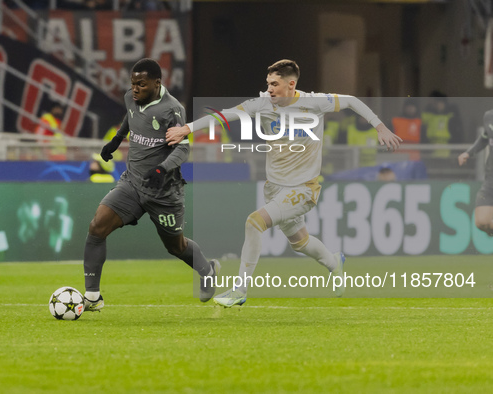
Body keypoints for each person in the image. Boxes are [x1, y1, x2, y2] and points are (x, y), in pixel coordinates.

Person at [167, 59, 402, 307]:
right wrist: (187, 129)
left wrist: (380, 126)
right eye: (267, 83)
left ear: (291, 84)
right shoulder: (262, 104)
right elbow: (225, 116)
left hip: (303, 189)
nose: (269, 88)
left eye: (274, 84)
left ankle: (239, 289)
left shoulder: (314, 103)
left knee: (254, 222)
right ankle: (335, 262)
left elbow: (352, 101)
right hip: (275, 188)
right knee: (300, 242)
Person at [82, 58, 220, 312]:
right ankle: (92, 296)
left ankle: (207, 269)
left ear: (157, 83)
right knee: (97, 226)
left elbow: (182, 149)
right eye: (133, 83)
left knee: (175, 246)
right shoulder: (131, 98)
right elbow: (131, 117)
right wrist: (116, 140)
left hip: (164, 192)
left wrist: (162, 169)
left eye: (141, 84)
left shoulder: (172, 110)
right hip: (132, 184)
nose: (135, 89)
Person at [458, 110, 493, 236]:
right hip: (491, 179)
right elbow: (485, 138)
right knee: (482, 222)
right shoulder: (489, 117)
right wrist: (468, 152)